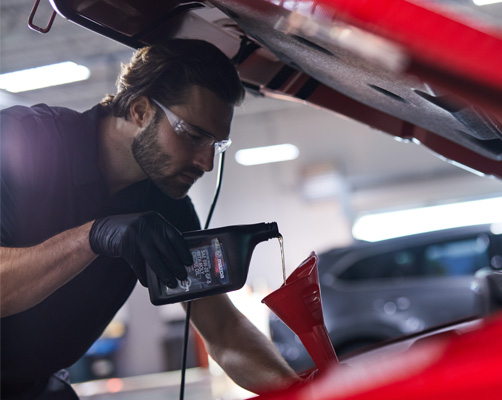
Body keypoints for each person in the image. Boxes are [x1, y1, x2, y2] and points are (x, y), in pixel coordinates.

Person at [0, 39, 300, 399]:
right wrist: (93, 237)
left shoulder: (166, 209)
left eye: (216, 146)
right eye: (193, 136)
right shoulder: (22, 142)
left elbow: (223, 330)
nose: (206, 162)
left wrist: (302, 391)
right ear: (140, 110)